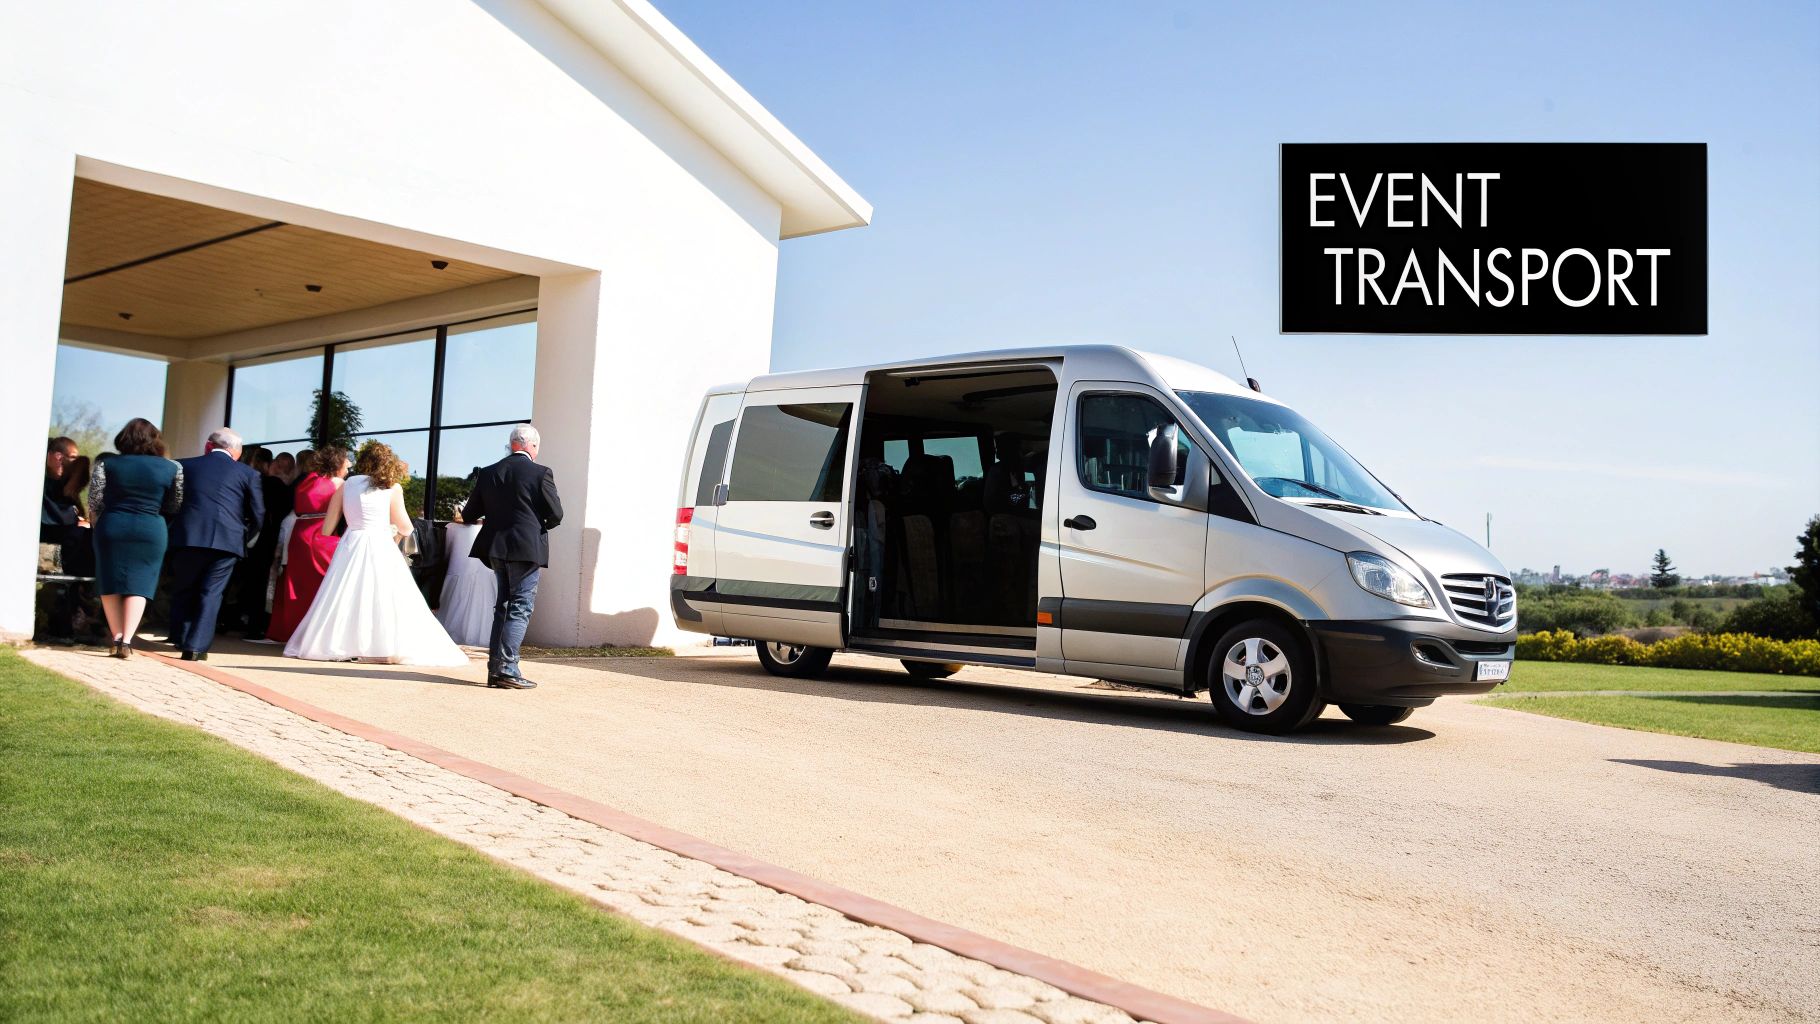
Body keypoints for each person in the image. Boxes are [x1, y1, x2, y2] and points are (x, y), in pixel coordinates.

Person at [284, 441, 466, 666]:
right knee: (384, 598)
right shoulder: (392, 487)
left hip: (351, 544)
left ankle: (343, 644)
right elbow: (406, 527)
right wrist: (393, 535)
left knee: (345, 596)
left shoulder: (347, 484)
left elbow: (326, 529)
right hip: (380, 545)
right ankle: (382, 648)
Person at [460, 424, 563, 689]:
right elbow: (556, 514)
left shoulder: (488, 473)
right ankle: (507, 668)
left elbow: (469, 515)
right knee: (519, 606)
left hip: (495, 549)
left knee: (503, 607)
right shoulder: (541, 473)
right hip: (526, 549)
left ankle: (496, 670)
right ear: (533, 447)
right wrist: (536, 524)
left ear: (512, 444)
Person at [166, 428, 264, 662]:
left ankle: (179, 636)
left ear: (209, 446)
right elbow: (259, 513)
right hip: (227, 542)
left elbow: (170, 503)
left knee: (184, 587)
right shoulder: (248, 474)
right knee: (212, 593)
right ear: (236, 452)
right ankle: (195, 647)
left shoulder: (182, 466)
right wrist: (246, 538)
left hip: (188, 537)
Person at [88, 419, 182, 658]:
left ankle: (116, 636)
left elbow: (95, 500)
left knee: (109, 581)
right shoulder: (173, 467)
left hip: (113, 525)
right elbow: (174, 504)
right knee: (141, 583)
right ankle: (128, 640)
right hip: (151, 528)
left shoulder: (106, 462)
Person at [267, 446, 346, 642]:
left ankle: (295, 630)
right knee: (321, 584)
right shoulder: (338, 483)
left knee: (298, 583)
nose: (349, 464)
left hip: (299, 534)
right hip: (321, 534)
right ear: (337, 464)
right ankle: (316, 634)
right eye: (346, 461)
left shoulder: (307, 480)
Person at [234, 447, 294, 640]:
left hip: (249, 535)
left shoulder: (254, 482)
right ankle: (255, 625)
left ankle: (237, 618)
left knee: (248, 579)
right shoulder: (278, 486)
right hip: (267, 538)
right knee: (259, 581)